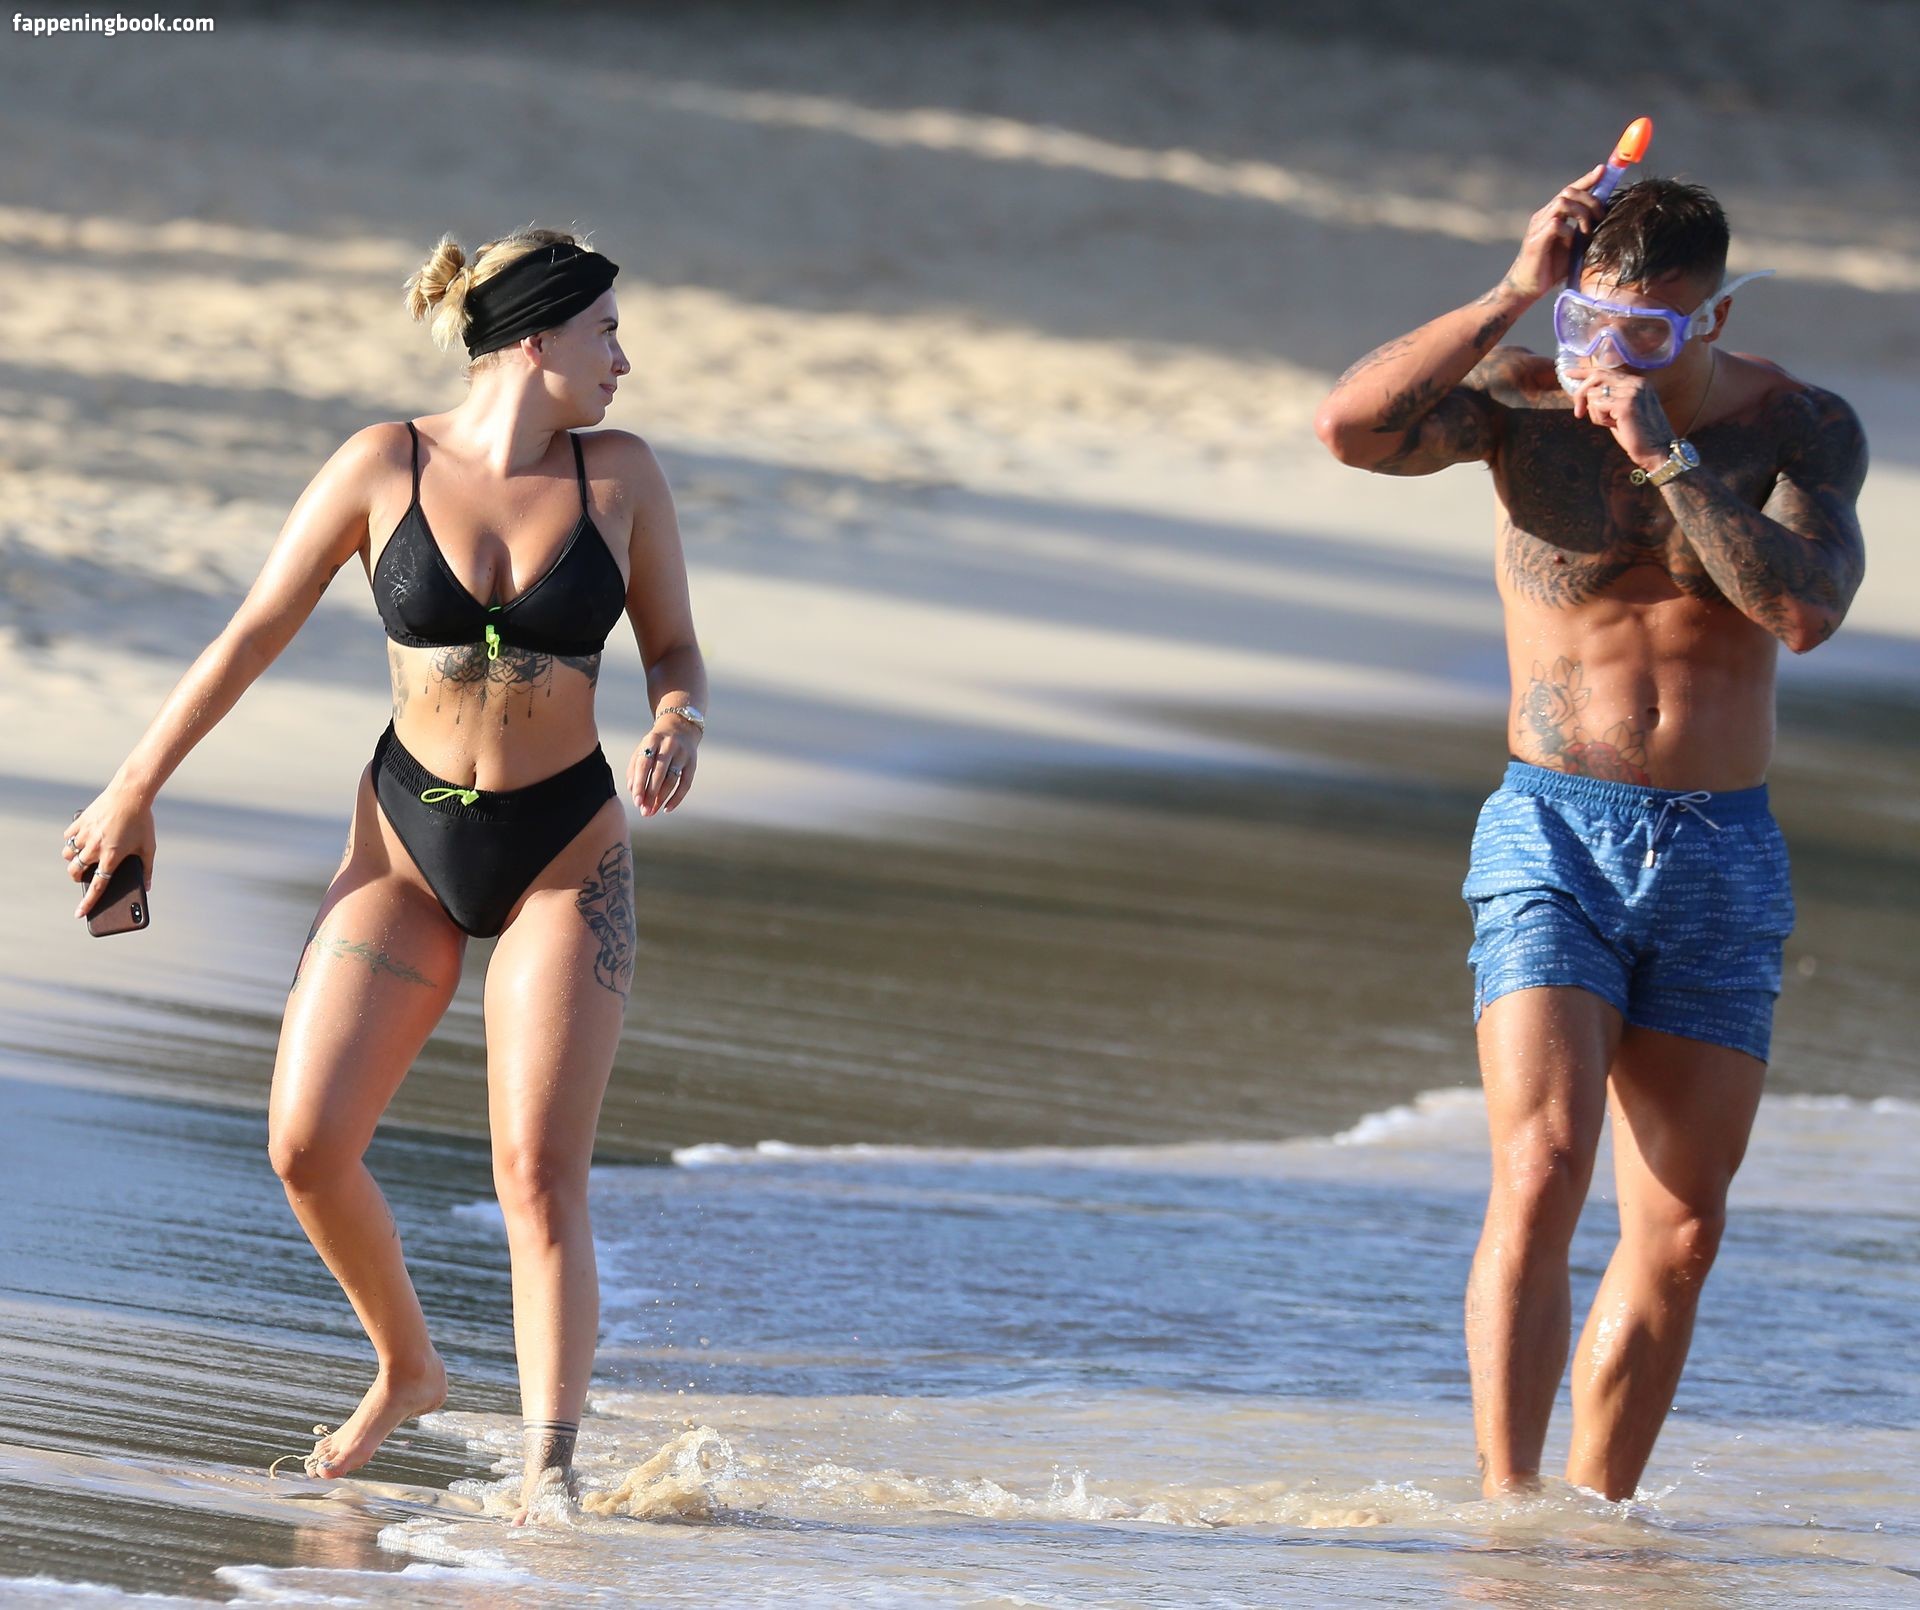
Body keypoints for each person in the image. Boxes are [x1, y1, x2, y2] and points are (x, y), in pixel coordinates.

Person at [60, 228, 708, 1518]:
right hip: (405, 847)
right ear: (534, 335)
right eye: (606, 333)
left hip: (563, 853)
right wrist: (136, 785)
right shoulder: (381, 464)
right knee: (306, 1147)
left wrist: (678, 716)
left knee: (538, 1174)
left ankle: (549, 1475)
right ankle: (410, 1367)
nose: (623, 361)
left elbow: (674, 646)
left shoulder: (621, 476)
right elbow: (253, 629)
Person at [1314, 171, 1867, 1500]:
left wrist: (1666, 456)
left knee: (1681, 1230)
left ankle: (1593, 1534)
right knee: (1546, 1161)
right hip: (1554, 829)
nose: (1611, 352)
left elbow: (1803, 611)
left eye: (1650, 331)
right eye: (1592, 321)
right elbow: (1349, 429)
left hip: (1722, 850)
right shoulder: (1521, 399)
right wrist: (1517, 289)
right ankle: (1508, 1513)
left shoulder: (1797, 426)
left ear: (1714, 317)